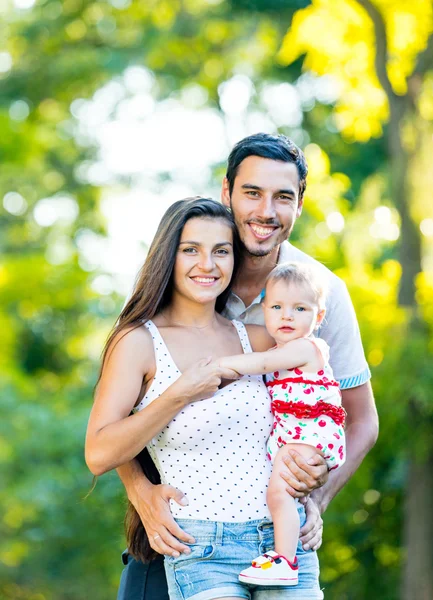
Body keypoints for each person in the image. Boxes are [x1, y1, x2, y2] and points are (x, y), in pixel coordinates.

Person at [116, 133, 378, 600]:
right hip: (178, 528)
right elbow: (118, 412)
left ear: (300, 203)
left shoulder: (320, 294)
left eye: (283, 197)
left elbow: (362, 420)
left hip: (269, 530)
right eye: (252, 192)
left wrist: (312, 501)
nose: (266, 212)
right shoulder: (191, 268)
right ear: (227, 192)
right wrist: (140, 493)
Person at [86, 196, 327, 599]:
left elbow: (316, 404)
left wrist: (310, 489)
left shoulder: (261, 338)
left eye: (221, 251)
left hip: (284, 542)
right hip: (204, 547)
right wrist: (179, 394)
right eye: (190, 250)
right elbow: (98, 452)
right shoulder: (138, 342)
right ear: (168, 256)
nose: (207, 265)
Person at [216, 261, 346, 587]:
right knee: (287, 493)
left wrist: (220, 365)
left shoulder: (304, 348)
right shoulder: (285, 348)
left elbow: (260, 363)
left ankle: (284, 560)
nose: (287, 316)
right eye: (277, 307)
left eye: (299, 308)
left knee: (278, 494)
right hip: (300, 433)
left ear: (317, 317)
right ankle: (284, 552)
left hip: (310, 432)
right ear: (264, 310)